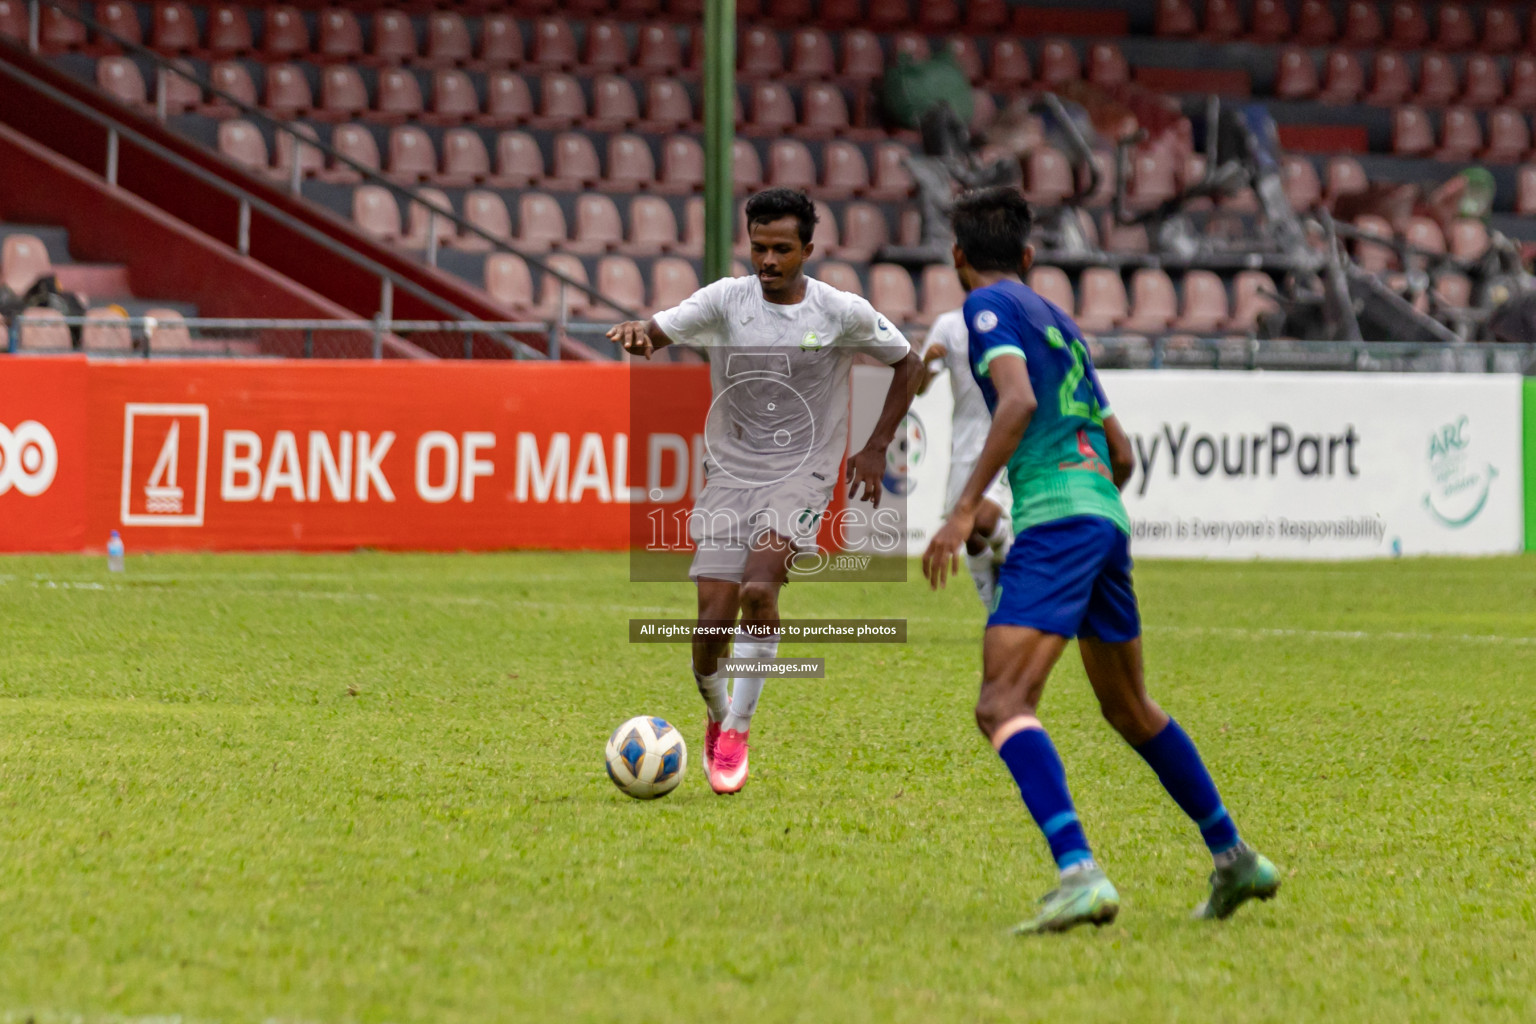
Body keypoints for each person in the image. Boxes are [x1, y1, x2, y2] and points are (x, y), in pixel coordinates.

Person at [922, 186, 1279, 934]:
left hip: (1059, 523)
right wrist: (1087, 512)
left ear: (959, 259)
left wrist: (964, 511)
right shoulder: (1062, 324)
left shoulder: (986, 311)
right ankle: (1235, 858)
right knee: (1129, 708)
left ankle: (1078, 871)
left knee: (1001, 703)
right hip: (1103, 517)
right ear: (1028, 255)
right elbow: (1122, 451)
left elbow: (1014, 403)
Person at [610, 187, 921, 796]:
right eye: (759, 247)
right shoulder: (727, 300)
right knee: (709, 629)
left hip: (803, 471)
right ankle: (716, 711)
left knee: (760, 589)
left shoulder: (840, 311)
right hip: (730, 471)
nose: (769, 260)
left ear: (808, 248)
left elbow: (907, 362)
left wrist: (877, 445)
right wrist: (639, 336)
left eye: (782, 249)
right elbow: (659, 330)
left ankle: (738, 731)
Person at [920, 309, 1013, 608]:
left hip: (1004, 436)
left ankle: (1007, 549)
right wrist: (925, 361)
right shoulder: (948, 324)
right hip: (963, 443)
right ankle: (994, 612)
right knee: (970, 535)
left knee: (984, 519)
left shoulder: (1013, 317)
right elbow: (921, 388)